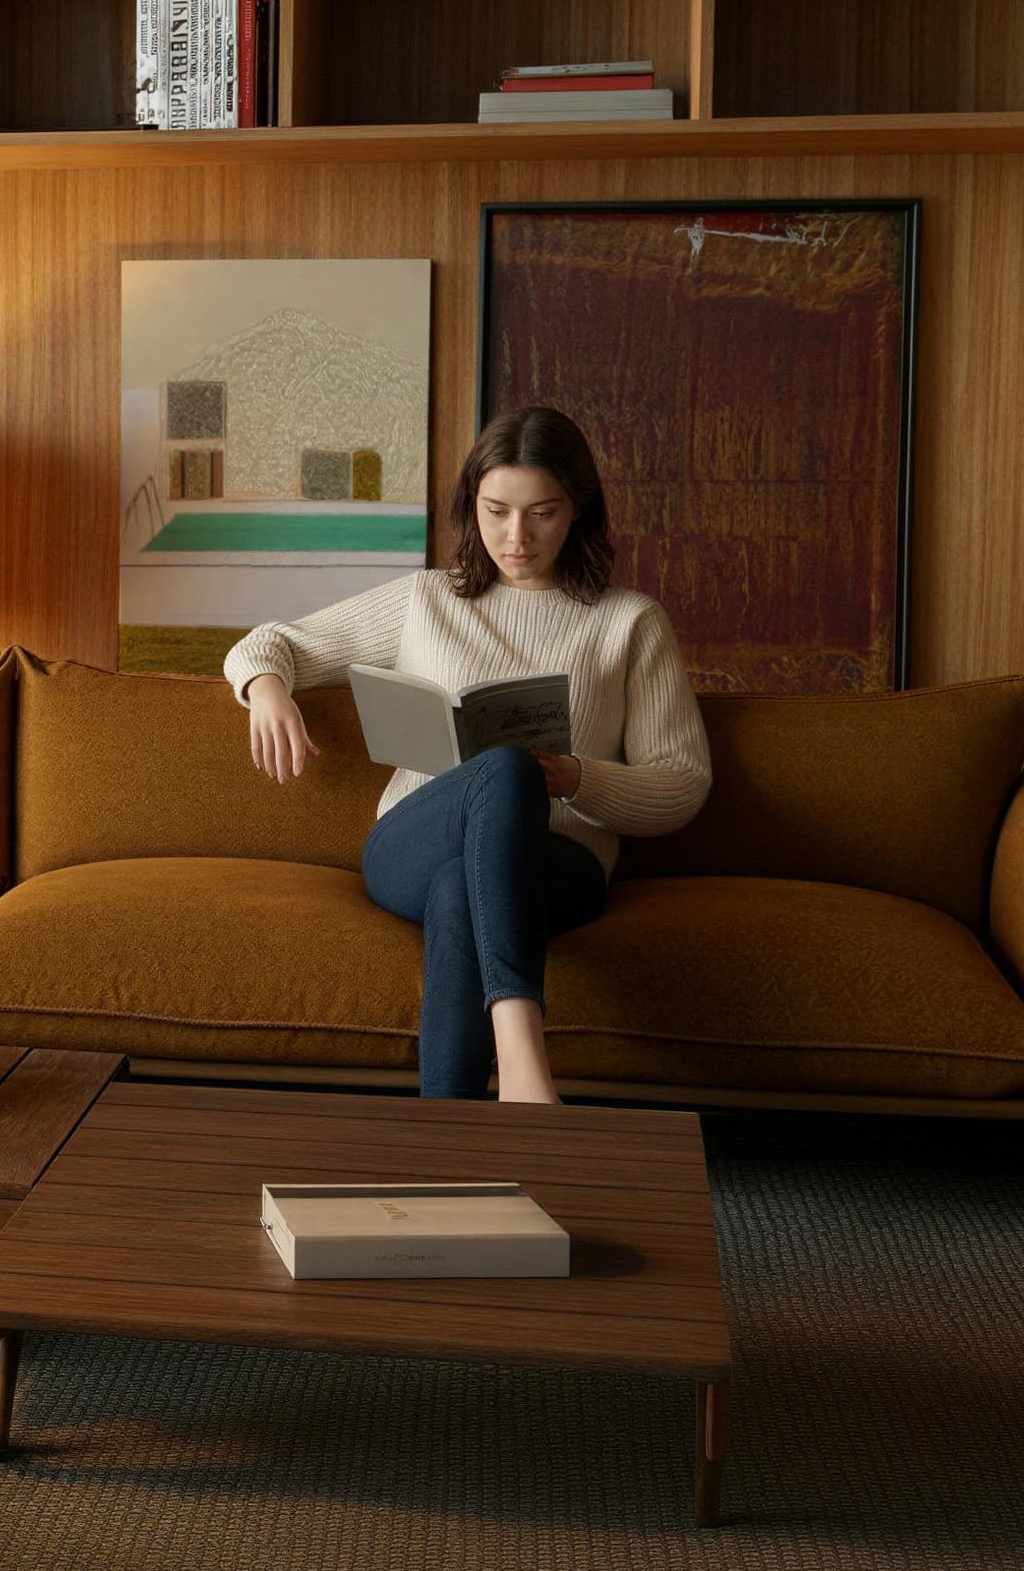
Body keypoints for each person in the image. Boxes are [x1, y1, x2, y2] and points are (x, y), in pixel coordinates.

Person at [224, 406, 711, 1102]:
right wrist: (267, 690)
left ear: (576, 510)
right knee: (503, 770)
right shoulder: (426, 600)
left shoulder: (628, 622)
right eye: (496, 511)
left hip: (557, 864)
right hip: (410, 847)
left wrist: (575, 777)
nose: (517, 537)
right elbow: (266, 644)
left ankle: (445, 1148)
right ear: (471, 507)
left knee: (467, 881)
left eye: (541, 513)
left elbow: (682, 785)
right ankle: (522, 1058)